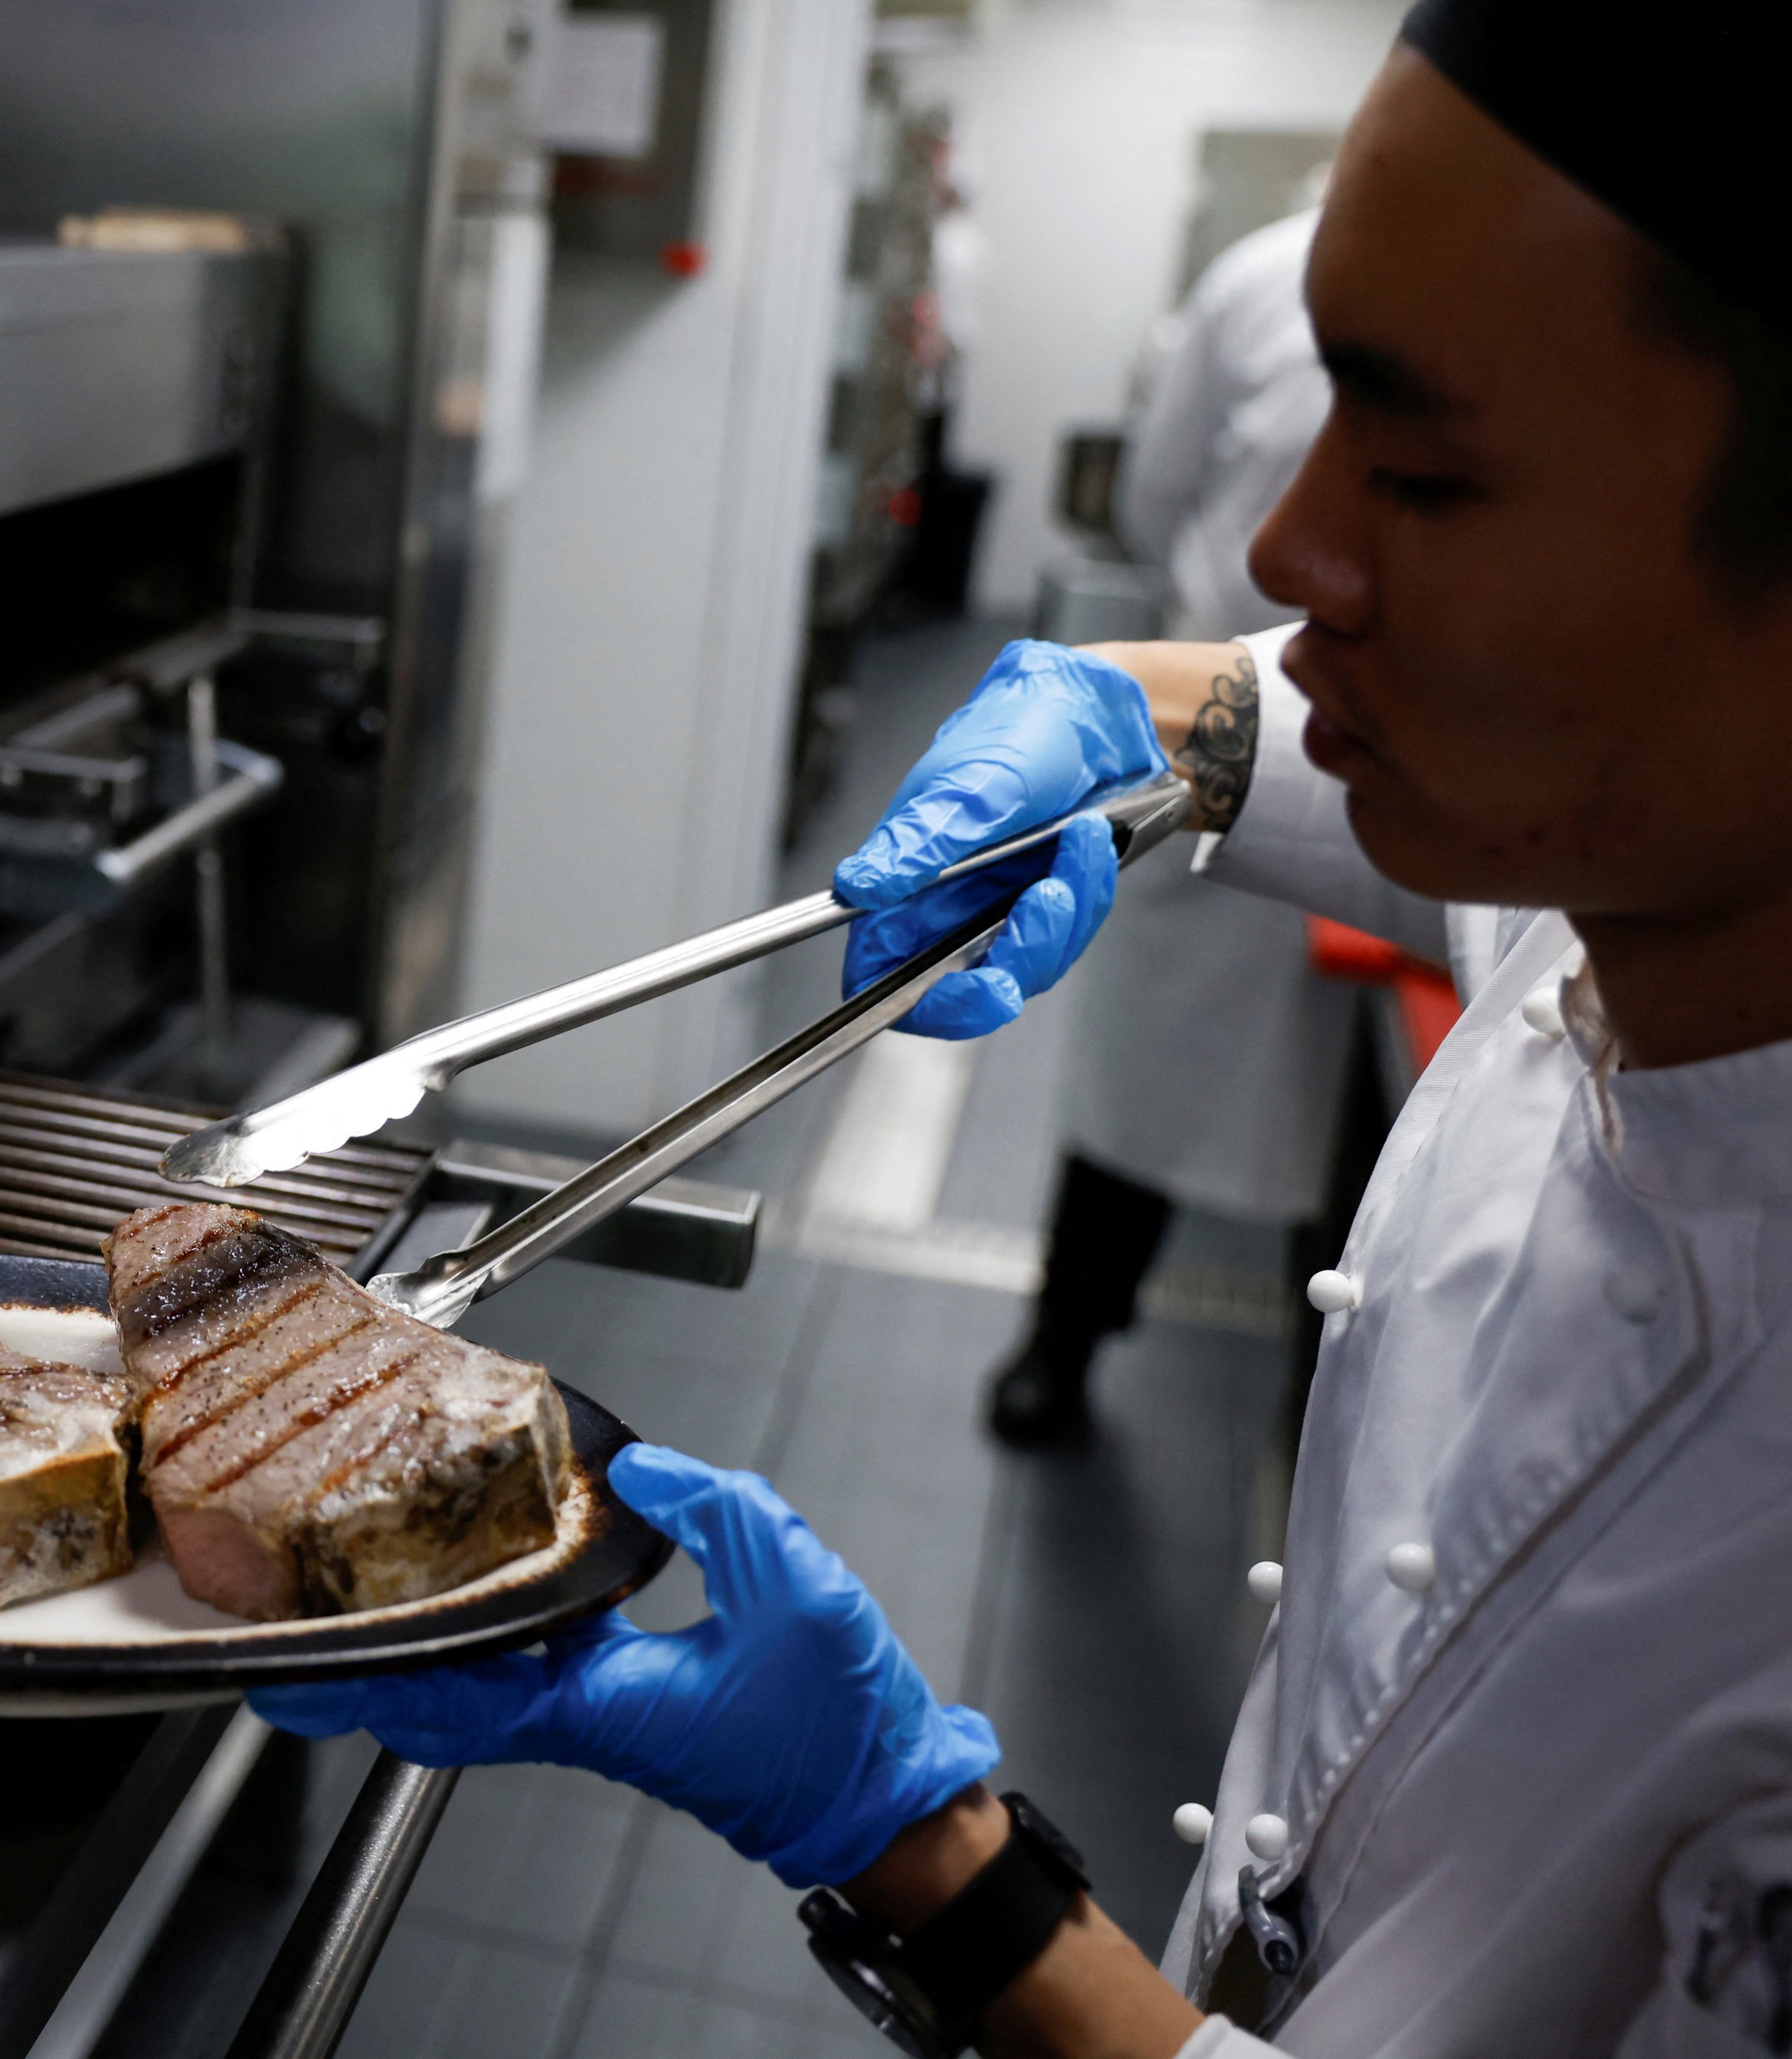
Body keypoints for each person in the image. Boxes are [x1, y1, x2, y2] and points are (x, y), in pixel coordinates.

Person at [253, 3, 1792, 2051]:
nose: (1283, 546)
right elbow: (1318, 713)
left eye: (1421, 469)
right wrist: (1143, 713)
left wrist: (922, 1848)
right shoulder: (1649, 857)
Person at [991, 201, 1363, 1446]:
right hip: (1226, 720)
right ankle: (1065, 1339)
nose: (1302, 541)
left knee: (1372, 1173)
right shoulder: (1263, 277)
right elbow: (1156, 500)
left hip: (1409, 759)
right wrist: (1165, 704)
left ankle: (1319, 1428)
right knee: (1146, 1080)